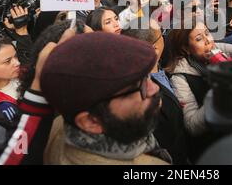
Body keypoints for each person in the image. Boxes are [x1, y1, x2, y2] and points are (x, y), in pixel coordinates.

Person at [42, 32, 171, 165]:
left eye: (146, 76)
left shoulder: (58, 126)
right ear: (91, 121)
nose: (154, 88)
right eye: (137, 87)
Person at [165, 19, 232, 161]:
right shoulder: (180, 77)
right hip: (211, 148)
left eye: (207, 33)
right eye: (199, 39)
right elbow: (191, 125)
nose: (208, 41)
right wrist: (219, 91)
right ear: (186, 48)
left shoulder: (218, 48)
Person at [122, 19, 189, 164]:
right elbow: (168, 140)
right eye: (162, 34)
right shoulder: (148, 96)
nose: (165, 37)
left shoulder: (164, 64)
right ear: (154, 49)